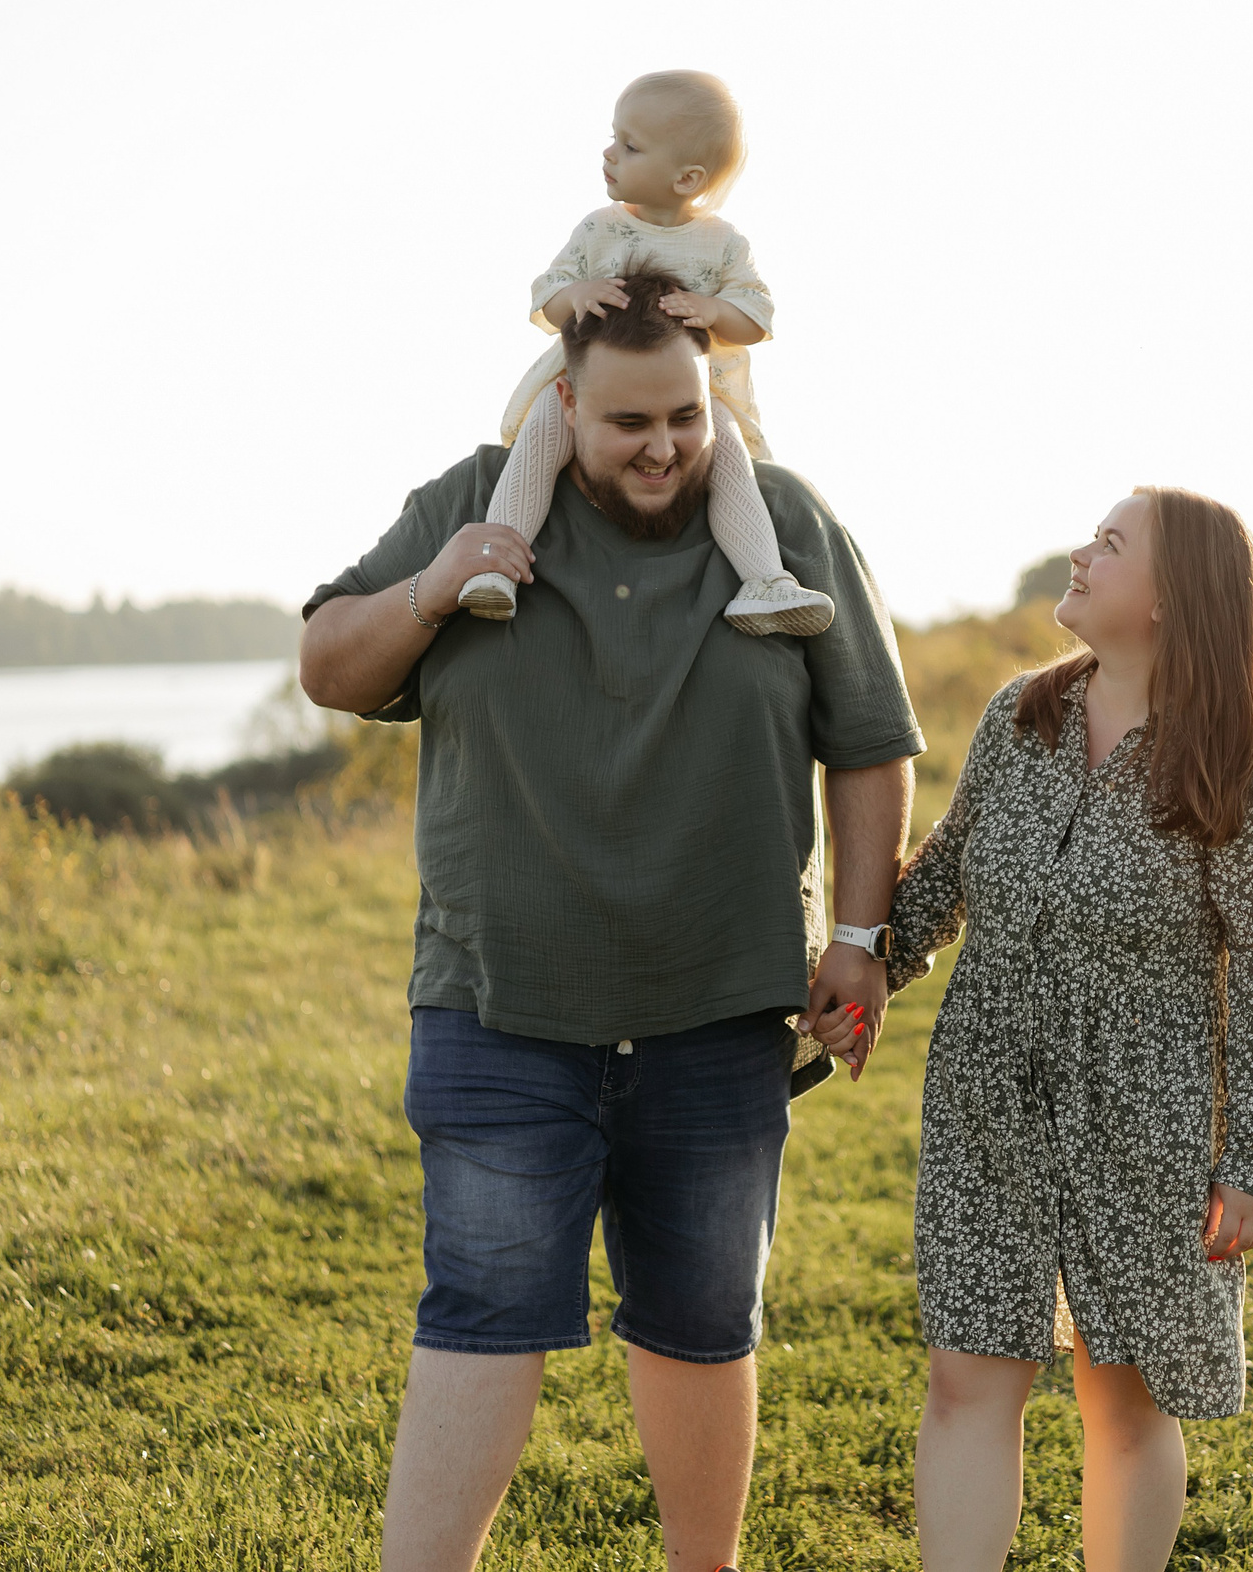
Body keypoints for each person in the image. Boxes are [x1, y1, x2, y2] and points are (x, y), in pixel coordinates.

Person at [296, 263, 921, 1572]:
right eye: (630, 422)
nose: (664, 447)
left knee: (703, 1322)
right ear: (564, 405)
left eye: (685, 418)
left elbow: (869, 742)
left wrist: (858, 940)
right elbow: (329, 664)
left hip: (720, 1009)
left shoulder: (786, 522)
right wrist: (434, 585)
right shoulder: (472, 499)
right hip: (498, 1003)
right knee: (480, 1311)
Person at [817, 487, 1253, 1571]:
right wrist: (864, 968)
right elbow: (948, 869)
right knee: (966, 1378)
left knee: (1123, 1399)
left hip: (1147, 1117)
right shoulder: (1021, 717)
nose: (1081, 556)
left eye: (1109, 544)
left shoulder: (1242, 777)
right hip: (985, 1096)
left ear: (1169, 597)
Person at [455, 68, 835, 637]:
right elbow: (546, 295)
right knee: (541, 436)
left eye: (630, 146)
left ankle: (765, 581)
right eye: (614, 137)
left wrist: (713, 310)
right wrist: (576, 294)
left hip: (696, 397)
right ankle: (495, 563)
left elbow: (757, 316)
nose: (609, 153)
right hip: (586, 389)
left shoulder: (722, 243)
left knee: (726, 453)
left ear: (687, 178)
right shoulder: (598, 231)